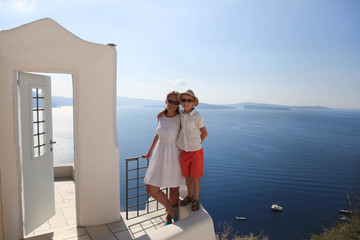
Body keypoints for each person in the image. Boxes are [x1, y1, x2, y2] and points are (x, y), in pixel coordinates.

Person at [142, 91, 185, 225]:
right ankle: (171, 209)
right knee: (151, 189)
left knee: (174, 189)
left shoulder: (181, 119)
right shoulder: (160, 117)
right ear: (165, 101)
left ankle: (169, 217)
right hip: (160, 154)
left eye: (176, 102)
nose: (173, 104)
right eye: (170, 101)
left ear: (179, 104)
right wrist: (150, 151)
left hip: (175, 155)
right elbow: (158, 135)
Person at [176, 89, 208, 211]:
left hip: (196, 152)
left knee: (195, 176)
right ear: (181, 102)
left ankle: (195, 198)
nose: (186, 102)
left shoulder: (197, 117)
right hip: (184, 151)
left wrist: (197, 143)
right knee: (187, 176)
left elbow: (204, 133)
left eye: (189, 100)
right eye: (183, 100)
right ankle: (189, 196)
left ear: (194, 102)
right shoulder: (181, 114)